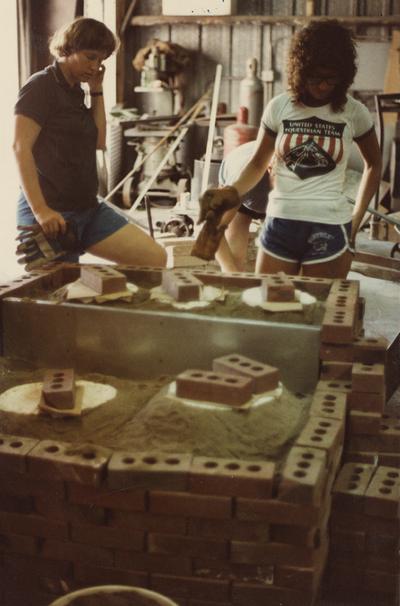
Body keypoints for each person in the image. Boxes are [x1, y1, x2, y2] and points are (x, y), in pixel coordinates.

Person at [213, 20, 381, 279]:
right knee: (272, 309)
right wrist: (232, 192)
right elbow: (258, 164)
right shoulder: (279, 106)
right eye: (316, 78)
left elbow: (374, 165)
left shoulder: (354, 112)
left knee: (321, 308)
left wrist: (357, 218)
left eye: (331, 79)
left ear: (343, 76)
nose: (324, 86)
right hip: (281, 223)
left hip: (331, 223)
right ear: (301, 72)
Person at [13, 17, 167, 268]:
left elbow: (99, 141)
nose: (95, 66)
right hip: (51, 215)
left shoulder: (76, 90)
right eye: (90, 57)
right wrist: (41, 210)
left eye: (101, 60)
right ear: (69, 47)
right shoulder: (40, 86)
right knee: (58, 296)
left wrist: (96, 90)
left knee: (154, 258)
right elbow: (20, 148)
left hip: (88, 208)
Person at [215, 141, 270, 272]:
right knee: (235, 260)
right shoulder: (238, 182)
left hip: (275, 197)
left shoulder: (297, 183)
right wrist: (229, 269)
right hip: (244, 181)